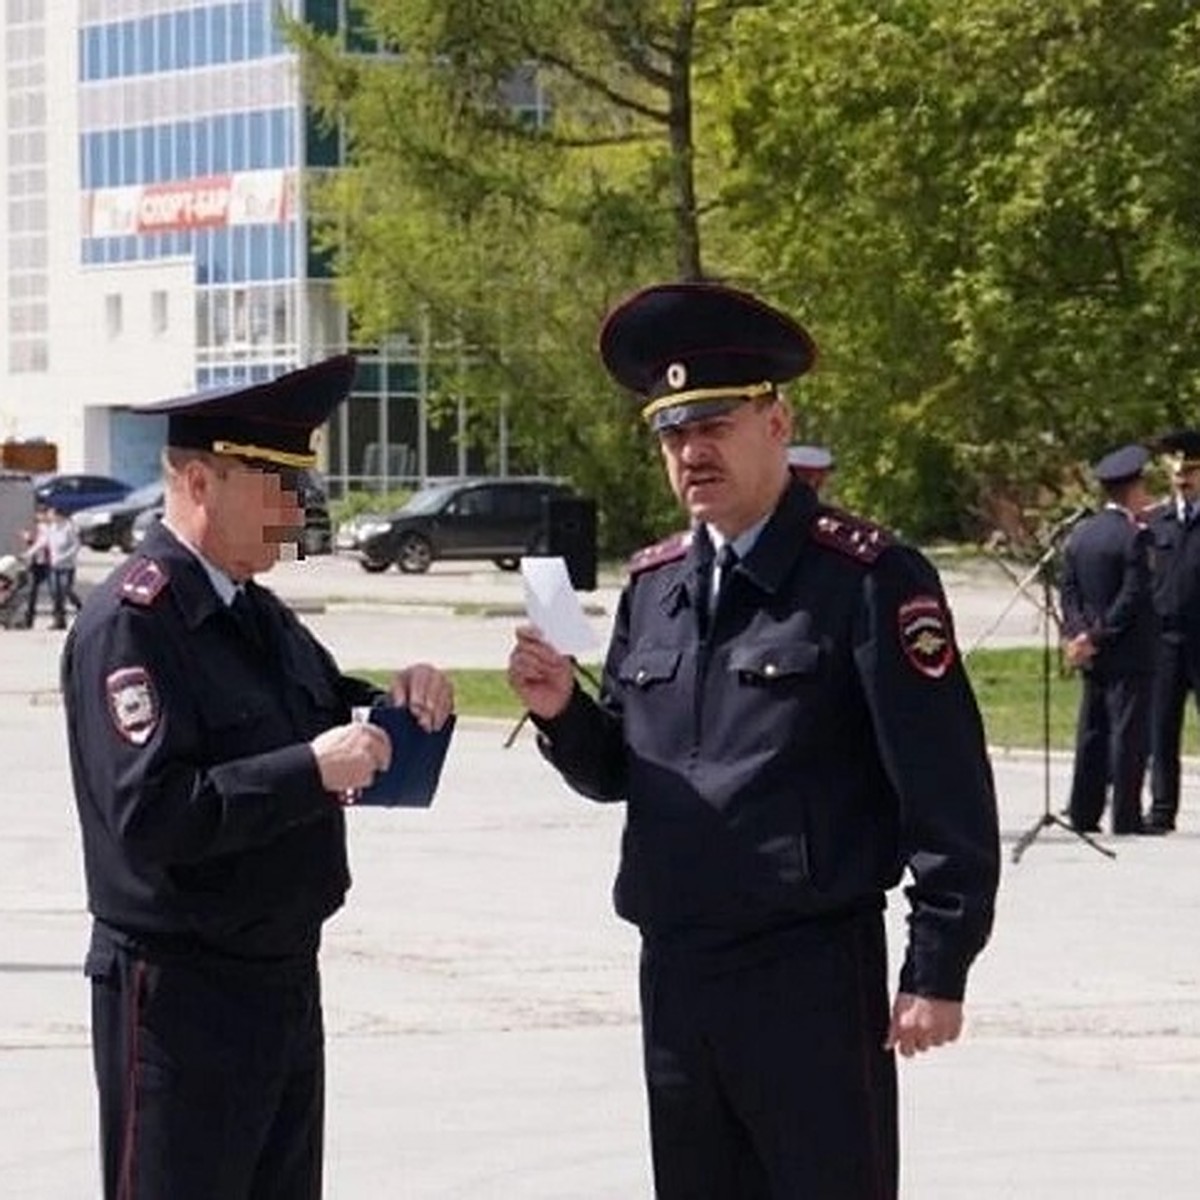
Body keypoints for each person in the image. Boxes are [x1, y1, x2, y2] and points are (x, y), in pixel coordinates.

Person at [507, 281, 1000, 1199]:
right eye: (672, 433)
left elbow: (945, 787)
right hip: (679, 972)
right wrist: (560, 713)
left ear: (777, 421)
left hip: (807, 975)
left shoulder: (867, 578)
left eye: (716, 424)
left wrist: (939, 966)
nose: (693, 452)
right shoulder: (655, 586)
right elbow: (620, 767)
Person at [61, 355, 455, 1200]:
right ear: (202, 481)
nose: (298, 509)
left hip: (279, 979)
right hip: (181, 1000)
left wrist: (398, 701)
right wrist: (310, 772)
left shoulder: (258, 614)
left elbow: (318, 709)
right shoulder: (134, 625)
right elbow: (155, 813)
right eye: (275, 484)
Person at [1058, 444, 1157, 835]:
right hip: (1128, 651)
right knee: (1127, 734)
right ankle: (1126, 816)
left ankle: (1083, 811)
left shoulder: (1081, 535)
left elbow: (1068, 592)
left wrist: (1078, 633)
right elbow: (1133, 597)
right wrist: (1099, 636)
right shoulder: (1135, 537)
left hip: (1091, 650)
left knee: (1092, 730)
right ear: (1134, 489)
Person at [1144, 428, 1200, 833]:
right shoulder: (1157, 522)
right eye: (1178, 472)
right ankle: (1162, 809)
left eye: (1193, 471)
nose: (1184, 479)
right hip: (1165, 638)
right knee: (1162, 728)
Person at [42, 505, 83, 629]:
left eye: (51, 514)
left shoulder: (69, 528)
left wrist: (63, 558)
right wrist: (28, 553)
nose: (49, 516)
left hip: (67, 566)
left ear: (58, 515)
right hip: (54, 566)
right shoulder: (51, 528)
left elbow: (76, 546)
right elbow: (44, 542)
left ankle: (80, 608)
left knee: (66, 590)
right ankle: (59, 621)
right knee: (55, 594)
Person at [20, 504, 50, 627]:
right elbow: (35, 544)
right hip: (36, 563)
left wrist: (27, 553)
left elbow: (41, 544)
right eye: (38, 513)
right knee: (32, 591)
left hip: (47, 563)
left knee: (60, 590)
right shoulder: (38, 527)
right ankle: (29, 620)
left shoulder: (47, 527)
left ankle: (77, 607)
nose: (40, 516)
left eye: (42, 513)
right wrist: (28, 539)